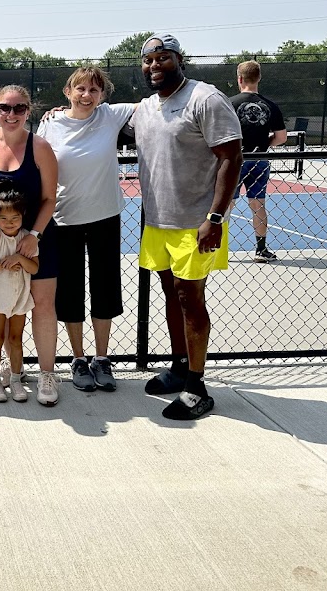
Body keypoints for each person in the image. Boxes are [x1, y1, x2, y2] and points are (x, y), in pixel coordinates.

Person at [133, 34, 242, 421]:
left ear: (180, 60)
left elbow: (231, 157)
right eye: (148, 60)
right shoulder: (146, 108)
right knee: (171, 293)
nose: (155, 65)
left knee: (189, 299)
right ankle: (180, 366)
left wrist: (215, 218)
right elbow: (103, 116)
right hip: (158, 221)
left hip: (196, 223)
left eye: (163, 57)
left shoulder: (205, 98)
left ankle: (197, 386)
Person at [36, 66, 136, 393]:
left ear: (102, 95)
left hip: (105, 217)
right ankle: (78, 358)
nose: (86, 95)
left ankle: (102, 358)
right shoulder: (50, 124)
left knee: (105, 289)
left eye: (94, 90)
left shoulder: (110, 115)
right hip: (65, 220)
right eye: (80, 89)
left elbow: (151, 105)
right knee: (70, 292)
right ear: (68, 92)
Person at [0, 84, 61, 406]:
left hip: (37, 237)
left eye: (19, 108)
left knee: (43, 305)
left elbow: (49, 198)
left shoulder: (40, 147)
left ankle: (47, 374)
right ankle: (13, 367)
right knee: (7, 305)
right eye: (5, 108)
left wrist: (34, 236)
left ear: (28, 111)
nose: (11, 114)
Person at [0, 182, 38, 403]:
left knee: (16, 339)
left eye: (14, 218)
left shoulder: (27, 239)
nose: (9, 222)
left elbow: (34, 268)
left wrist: (19, 258)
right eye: (3, 218)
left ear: (23, 216)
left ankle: (15, 379)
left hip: (20, 296)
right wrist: (4, 264)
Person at [229, 60, 287, 263]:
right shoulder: (271, 106)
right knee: (258, 203)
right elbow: (281, 137)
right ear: (259, 78)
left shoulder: (229, 103)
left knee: (226, 204)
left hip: (235, 159)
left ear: (239, 79)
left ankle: (216, 250)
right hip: (260, 159)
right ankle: (261, 250)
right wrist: (264, 145)